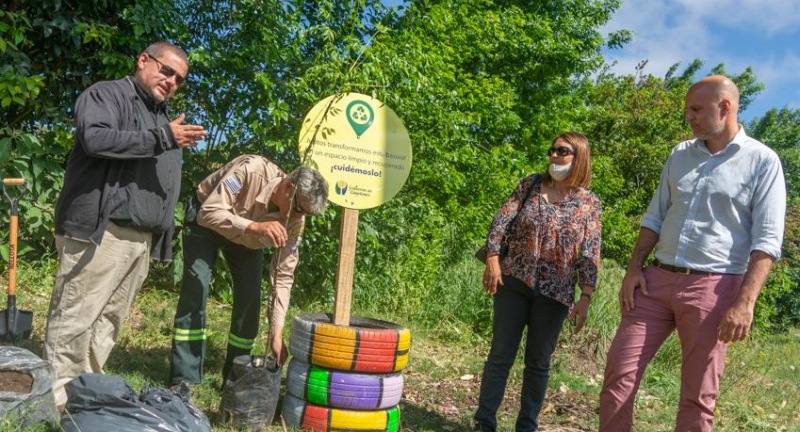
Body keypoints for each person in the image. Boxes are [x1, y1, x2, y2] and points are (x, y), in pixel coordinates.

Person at [598, 75, 786, 431]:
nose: (689, 117)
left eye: (696, 109)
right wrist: (634, 267)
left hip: (713, 290)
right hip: (654, 283)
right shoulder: (680, 154)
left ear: (725, 107)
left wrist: (745, 303)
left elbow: (767, 240)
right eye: (688, 109)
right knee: (618, 379)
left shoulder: (763, 161)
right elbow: (655, 214)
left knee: (698, 397)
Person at [43, 41, 206, 407]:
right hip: (102, 233)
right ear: (143, 60)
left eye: (179, 80)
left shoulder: (161, 118)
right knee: (76, 319)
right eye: (167, 71)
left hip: (139, 241)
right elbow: (95, 138)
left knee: (107, 325)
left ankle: (84, 396)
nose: (172, 82)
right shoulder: (107, 94)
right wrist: (164, 138)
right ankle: (54, 404)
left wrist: (159, 237)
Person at [473, 132, 602, 432]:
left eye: (562, 151)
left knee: (538, 364)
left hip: (556, 293)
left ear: (579, 156)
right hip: (514, 281)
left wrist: (586, 296)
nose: (554, 156)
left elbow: (591, 250)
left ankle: (526, 426)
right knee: (500, 355)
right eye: (552, 150)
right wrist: (493, 257)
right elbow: (500, 220)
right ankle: (484, 422)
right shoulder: (530, 185)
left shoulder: (589, 203)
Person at [169, 155, 329, 386]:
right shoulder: (250, 171)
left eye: (306, 213)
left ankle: (236, 376)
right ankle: (185, 379)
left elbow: (283, 276)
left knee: (250, 299)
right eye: (298, 208)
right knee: (197, 288)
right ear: (287, 186)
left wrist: (276, 331)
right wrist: (254, 226)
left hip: (246, 239)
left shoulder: (295, 222)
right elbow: (208, 213)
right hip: (206, 221)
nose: (297, 217)